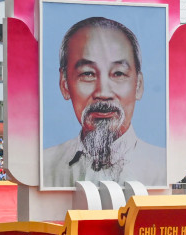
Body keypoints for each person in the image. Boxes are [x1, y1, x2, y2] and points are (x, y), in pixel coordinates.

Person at [42, 16, 166, 188]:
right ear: (64, 84)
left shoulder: (161, 168)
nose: (103, 93)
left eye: (118, 74)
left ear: (138, 85)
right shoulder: (46, 167)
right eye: (88, 74)